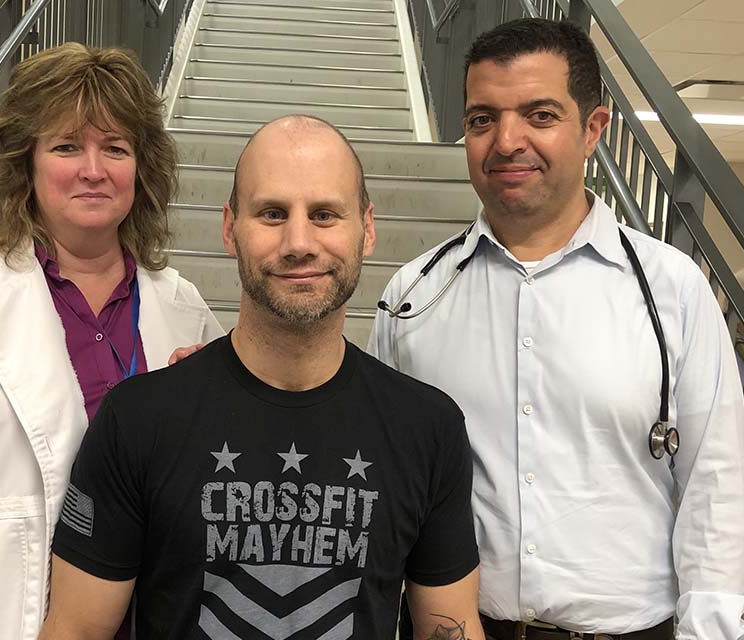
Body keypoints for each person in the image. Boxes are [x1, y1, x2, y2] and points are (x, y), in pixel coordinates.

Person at [369, 18, 744, 640]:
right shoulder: (412, 298)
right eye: (481, 119)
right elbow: (383, 484)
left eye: (540, 115)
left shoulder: (672, 291)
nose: (506, 141)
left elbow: (712, 489)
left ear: (594, 130)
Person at [38, 114, 486, 640]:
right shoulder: (138, 420)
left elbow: (448, 626)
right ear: (230, 228)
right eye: (272, 213)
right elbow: (76, 629)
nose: (298, 242)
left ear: (366, 228)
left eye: (324, 215)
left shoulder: (427, 428)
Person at [0, 43, 224, 639]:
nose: (93, 168)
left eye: (115, 147)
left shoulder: (186, 313)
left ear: (142, 167)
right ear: (25, 163)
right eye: (65, 146)